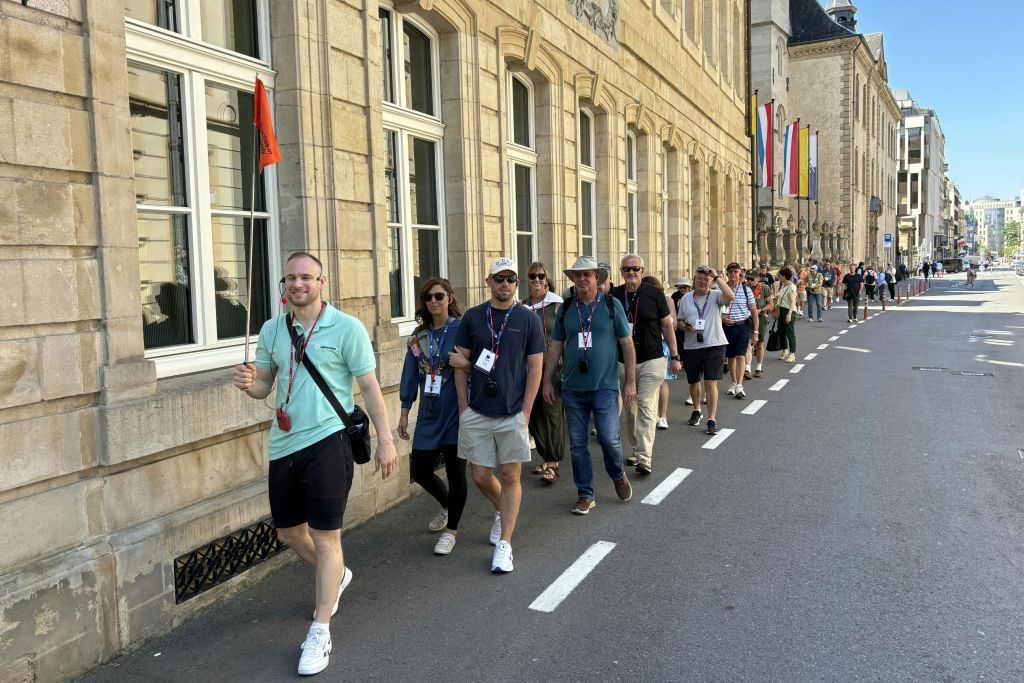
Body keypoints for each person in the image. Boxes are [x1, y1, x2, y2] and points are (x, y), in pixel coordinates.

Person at [232, 251, 397, 676]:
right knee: (289, 533)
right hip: (284, 445)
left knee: (327, 538)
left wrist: (386, 440)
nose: (298, 284)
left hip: (329, 442)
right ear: (283, 285)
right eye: (290, 278)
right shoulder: (272, 329)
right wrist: (251, 384)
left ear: (322, 282)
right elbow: (266, 385)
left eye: (306, 277)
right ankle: (336, 575)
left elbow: (370, 387)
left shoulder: (346, 328)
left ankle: (320, 630)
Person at [453, 258, 545, 574]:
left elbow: (536, 367)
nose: (505, 284)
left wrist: (527, 410)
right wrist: (463, 407)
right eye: (499, 278)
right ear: (488, 281)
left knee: (511, 476)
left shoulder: (527, 319)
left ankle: (505, 544)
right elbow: (459, 362)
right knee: (479, 475)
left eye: (510, 278)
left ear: (516, 283)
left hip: (512, 411)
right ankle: (501, 511)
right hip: (477, 410)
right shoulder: (473, 317)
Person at [544, 256, 636, 515]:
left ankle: (617, 474)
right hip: (572, 388)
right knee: (577, 443)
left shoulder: (610, 304)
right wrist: (547, 381)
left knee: (608, 439)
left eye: (588, 274)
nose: (582, 279)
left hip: (604, 387)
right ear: (573, 279)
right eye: (578, 275)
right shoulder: (567, 307)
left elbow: (627, 344)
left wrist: (629, 382)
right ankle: (585, 493)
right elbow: (555, 346)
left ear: (598, 278)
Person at [397, 278, 467, 556]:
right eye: (428, 297)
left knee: (456, 471)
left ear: (450, 298)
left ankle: (452, 531)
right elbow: (410, 374)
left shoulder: (462, 329)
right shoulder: (418, 336)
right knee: (421, 470)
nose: (434, 301)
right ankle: (449, 506)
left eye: (439, 295)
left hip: (455, 412)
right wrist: (404, 412)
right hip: (428, 412)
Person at [610, 255, 681, 474]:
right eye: (627, 269)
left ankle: (644, 457)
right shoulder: (613, 296)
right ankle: (635, 447)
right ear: (621, 271)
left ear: (643, 270)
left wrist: (675, 356)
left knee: (646, 404)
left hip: (652, 357)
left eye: (636, 269)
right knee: (630, 410)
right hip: (623, 361)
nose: (631, 272)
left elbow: (667, 326)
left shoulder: (654, 294)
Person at [522, 262, 568, 483]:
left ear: (547, 279)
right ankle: (546, 455)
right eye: (533, 276)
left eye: (541, 276)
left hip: (553, 369)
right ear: (527, 279)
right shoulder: (521, 306)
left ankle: (553, 462)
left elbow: (566, 337)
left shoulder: (557, 304)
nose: (537, 280)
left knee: (552, 414)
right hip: (529, 370)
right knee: (534, 415)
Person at [678, 265, 734, 435]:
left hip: (714, 345)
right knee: (693, 381)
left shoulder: (716, 295)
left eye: (706, 279)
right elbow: (679, 321)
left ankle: (712, 419)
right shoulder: (686, 298)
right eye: (699, 279)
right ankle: (696, 410)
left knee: (710, 382)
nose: (702, 282)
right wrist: (685, 327)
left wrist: (716, 276)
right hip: (692, 345)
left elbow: (730, 295)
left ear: (711, 282)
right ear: (694, 281)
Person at [645, 275, 677, 429]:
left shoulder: (666, 300)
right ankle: (649, 415)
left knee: (661, 381)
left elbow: (673, 324)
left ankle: (662, 416)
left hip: (661, 343)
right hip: (643, 344)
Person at [721, 262, 757, 399]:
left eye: (735, 272)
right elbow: (715, 309)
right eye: (730, 272)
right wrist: (722, 319)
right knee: (730, 357)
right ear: (727, 274)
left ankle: (740, 385)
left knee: (740, 355)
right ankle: (734, 382)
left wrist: (756, 332)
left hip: (742, 325)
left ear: (740, 273)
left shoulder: (746, 290)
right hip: (727, 327)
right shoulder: (721, 290)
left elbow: (753, 311)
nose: (733, 274)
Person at [748, 272, 773, 377]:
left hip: (760, 317)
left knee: (759, 343)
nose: (750, 281)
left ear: (757, 279)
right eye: (748, 279)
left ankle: (758, 368)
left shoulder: (764, 288)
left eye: (752, 279)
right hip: (747, 318)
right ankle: (747, 369)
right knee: (747, 343)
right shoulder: (745, 288)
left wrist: (761, 310)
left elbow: (771, 304)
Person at [774, 268, 797, 363]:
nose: (779, 277)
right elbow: (779, 296)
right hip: (781, 310)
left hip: (788, 310)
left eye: (780, 276)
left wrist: (789, 314)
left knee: (790, 332)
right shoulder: (783, 285)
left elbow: (792, 302)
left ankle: (792, 354)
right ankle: (785, 351)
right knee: (781, 332)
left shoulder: (791, 287)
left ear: (784, 276)